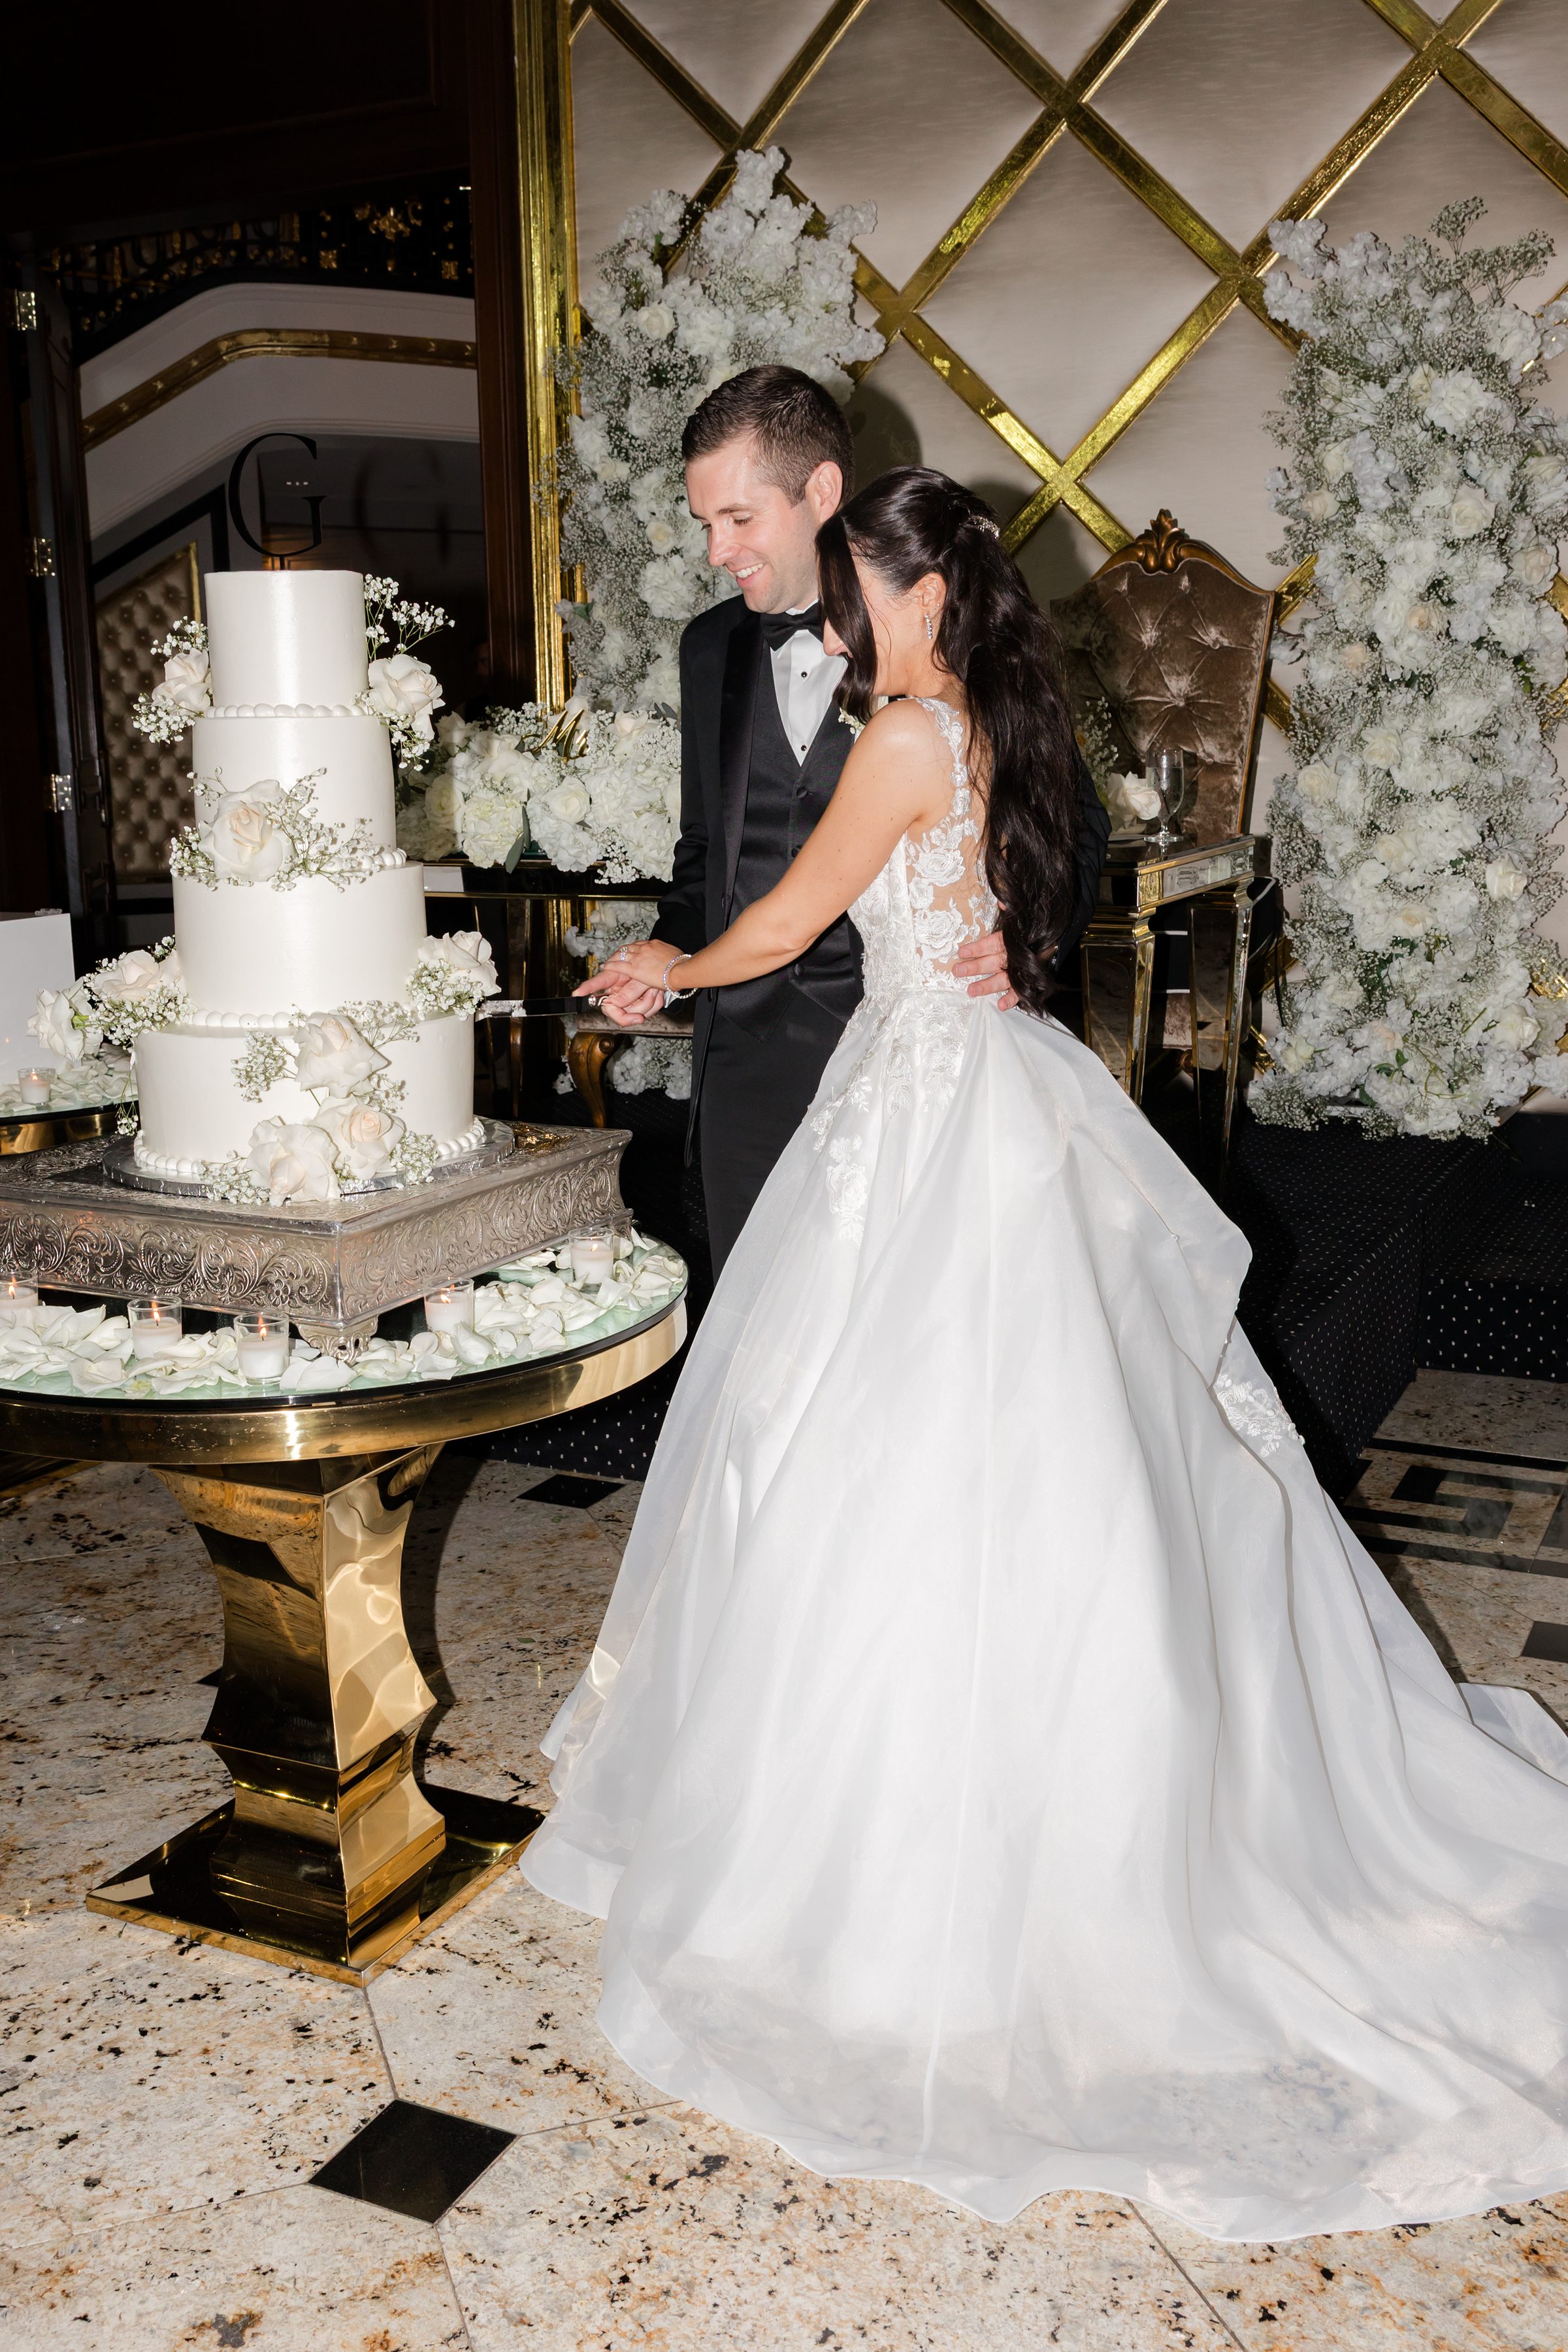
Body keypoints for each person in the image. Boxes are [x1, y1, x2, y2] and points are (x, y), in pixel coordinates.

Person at [524, 466, 1568, 2242]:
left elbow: (786, 928)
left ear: (913, 589)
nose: (841, 616)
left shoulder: (909, 736)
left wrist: (658, 968)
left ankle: (909, 1852)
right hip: (978, 1091)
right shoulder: (997, 716)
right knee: (1050, 1454)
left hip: (925, 1119)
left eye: (855, 584)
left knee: (891, 1455)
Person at [588, 364, 1109, 1271]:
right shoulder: (709, 648)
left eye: (738, 519)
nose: (716, 550)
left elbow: (1077, 823)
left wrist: (1037, 933)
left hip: (898, 1060)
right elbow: (705, 851)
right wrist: (666, 960)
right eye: (705, 522)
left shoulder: (946, 647)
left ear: (820, 491)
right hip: (743, 1059)